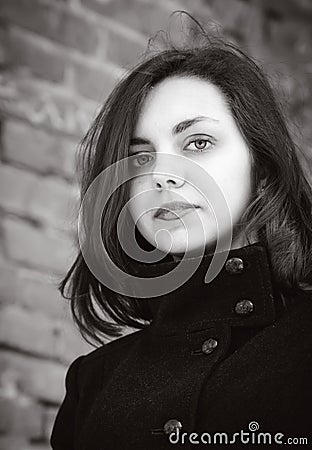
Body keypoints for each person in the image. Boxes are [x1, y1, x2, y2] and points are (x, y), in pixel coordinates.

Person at [50, 16, 312, 450]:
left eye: (198, 143)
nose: (163, 175)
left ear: (262, 169)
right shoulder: (92, 383)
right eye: (140, 158)